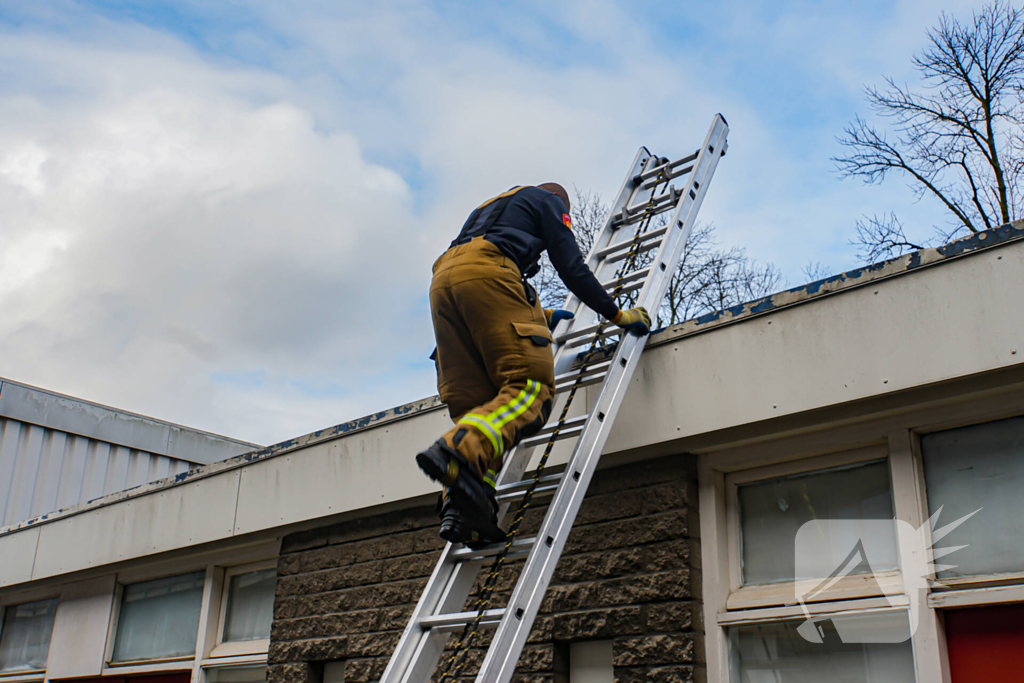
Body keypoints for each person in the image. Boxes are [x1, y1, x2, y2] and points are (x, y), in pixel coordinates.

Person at [416, 183, 651, 547]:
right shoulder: (549, 202)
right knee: (530, 391)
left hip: (442, 282)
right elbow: (570, 266)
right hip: (490, 272)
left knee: (480, 408)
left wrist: (537, 313)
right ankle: (458, 450)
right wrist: (617, 314)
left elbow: (472, 283)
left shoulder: (489, 210)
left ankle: (464, 511)